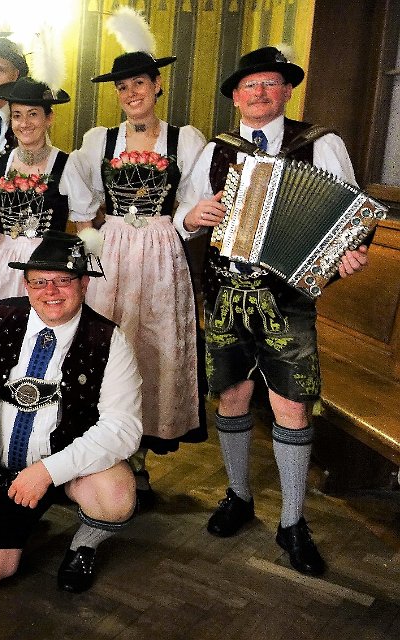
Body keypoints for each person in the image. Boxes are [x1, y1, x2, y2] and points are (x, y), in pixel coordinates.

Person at [174, 46, 368, 576]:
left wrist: (350, 252)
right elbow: (183, 217)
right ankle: (238, 496)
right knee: (232, 397)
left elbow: (351, 216)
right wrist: (193, 215)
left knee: (292, 406)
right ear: (236, 97)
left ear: (286, 92)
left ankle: (292, 522)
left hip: (288, 299)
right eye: (250, 85)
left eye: (270, 83)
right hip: (226, 293)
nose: (260, 93)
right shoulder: (216, 149)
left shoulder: (320, 143)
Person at [0, 231, 142, 593]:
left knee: (116, 493)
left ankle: (84, 545)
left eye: (63, 280)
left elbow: (123, 427)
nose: (51, 291)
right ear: (26, 284)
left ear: (83, 283)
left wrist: (49, 471)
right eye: (40, 282)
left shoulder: (109, 340)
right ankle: (22, 523)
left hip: (69, 471)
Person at [75, 11, 208, 506]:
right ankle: (102, 455)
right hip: (111, 251)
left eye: (139, 83)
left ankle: (140, 460)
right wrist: (95, 248)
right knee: (106, 345)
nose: (131, 93)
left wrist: (181, 224)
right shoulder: (99, 141)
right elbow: (84, 208)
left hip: (160, 251)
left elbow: (191, 208)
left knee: (150, 347)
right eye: (122, 87)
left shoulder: (184, 139)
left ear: (156, 86)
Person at [0, 77, 97, 304]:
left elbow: (84, 226)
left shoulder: (67, 164)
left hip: (48, 266)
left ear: (49, 118)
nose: (24, 123)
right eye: (17, 115)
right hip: (2, 267)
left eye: (33, 114)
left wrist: (85, 280)